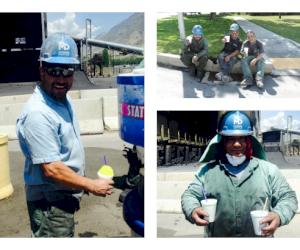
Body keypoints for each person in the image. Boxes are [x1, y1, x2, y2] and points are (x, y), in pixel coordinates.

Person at [16, 33, 114, 237]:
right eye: (55, 70)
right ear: (42, 70)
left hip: (62, 196)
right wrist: (91, 185)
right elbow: (52, 169)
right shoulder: (38, 114)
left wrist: (80, 180)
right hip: (50, 204)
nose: (61, 78)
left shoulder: (59, 99)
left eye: (68, 71)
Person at [181, 111, 298, 237]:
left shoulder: (269, 170)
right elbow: (189, 195)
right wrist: (193, 209)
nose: (237, 144)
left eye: (242, 138)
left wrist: (279, 215)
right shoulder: (207, 171)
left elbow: (288, 197)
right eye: (231, 139)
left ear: (249, 140)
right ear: (222, 141)